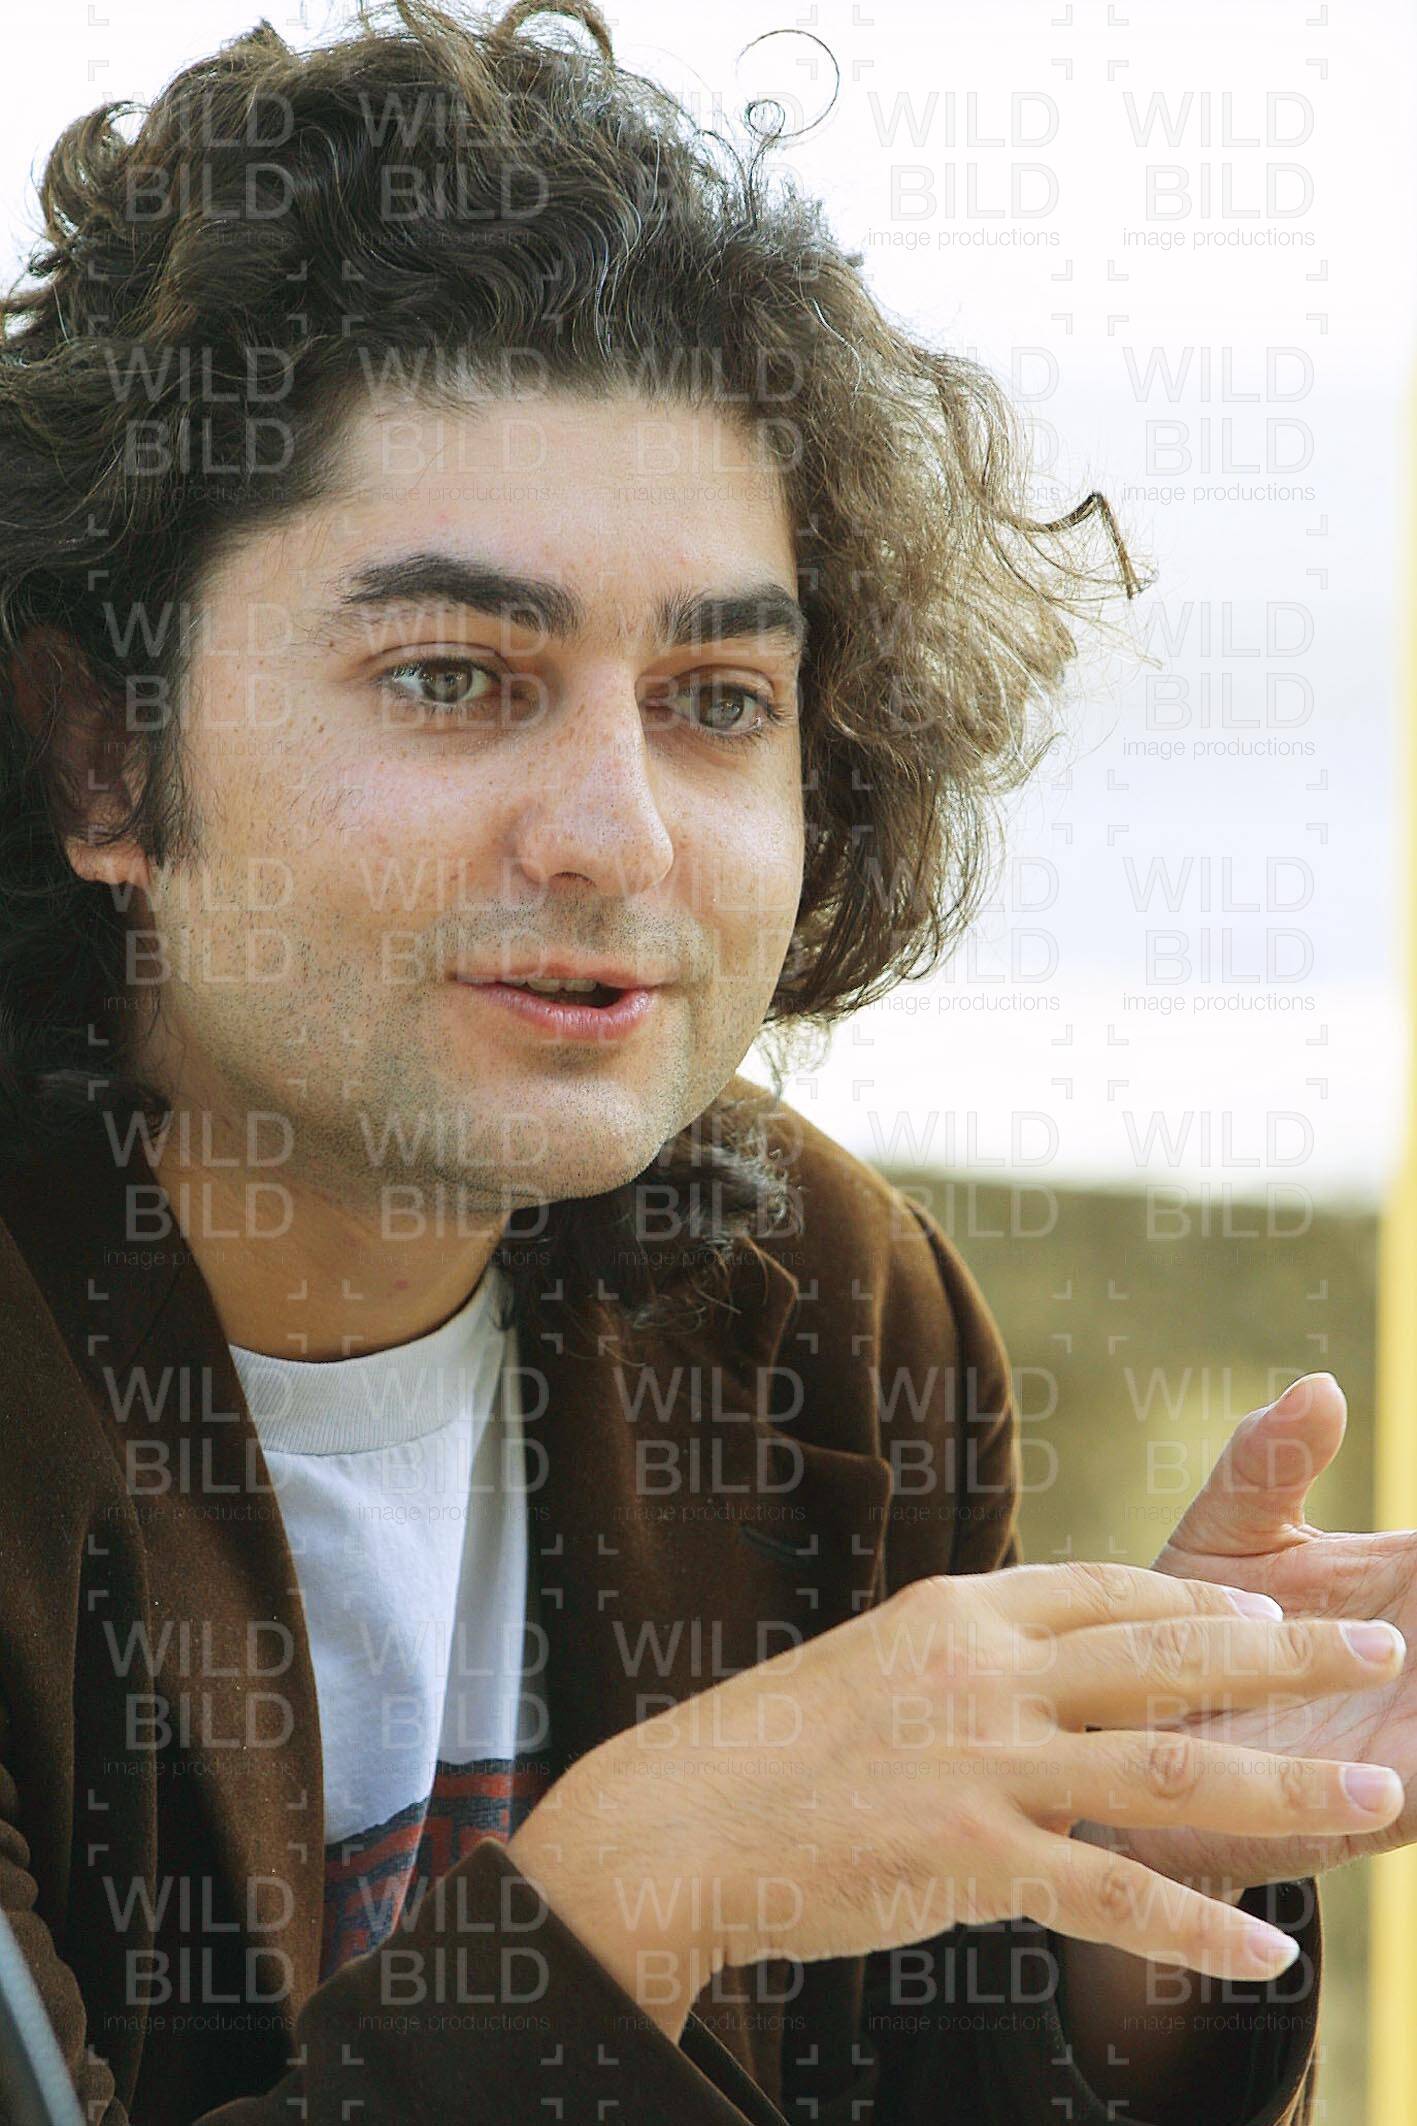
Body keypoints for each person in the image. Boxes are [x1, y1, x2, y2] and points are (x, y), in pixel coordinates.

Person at [0, 2, 1413, 2121]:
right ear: (100, 754)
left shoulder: (817, 1306)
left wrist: (1132, 1874)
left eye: (717, 698)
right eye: (454, 675)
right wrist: (644, 1879)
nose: (620, 831)